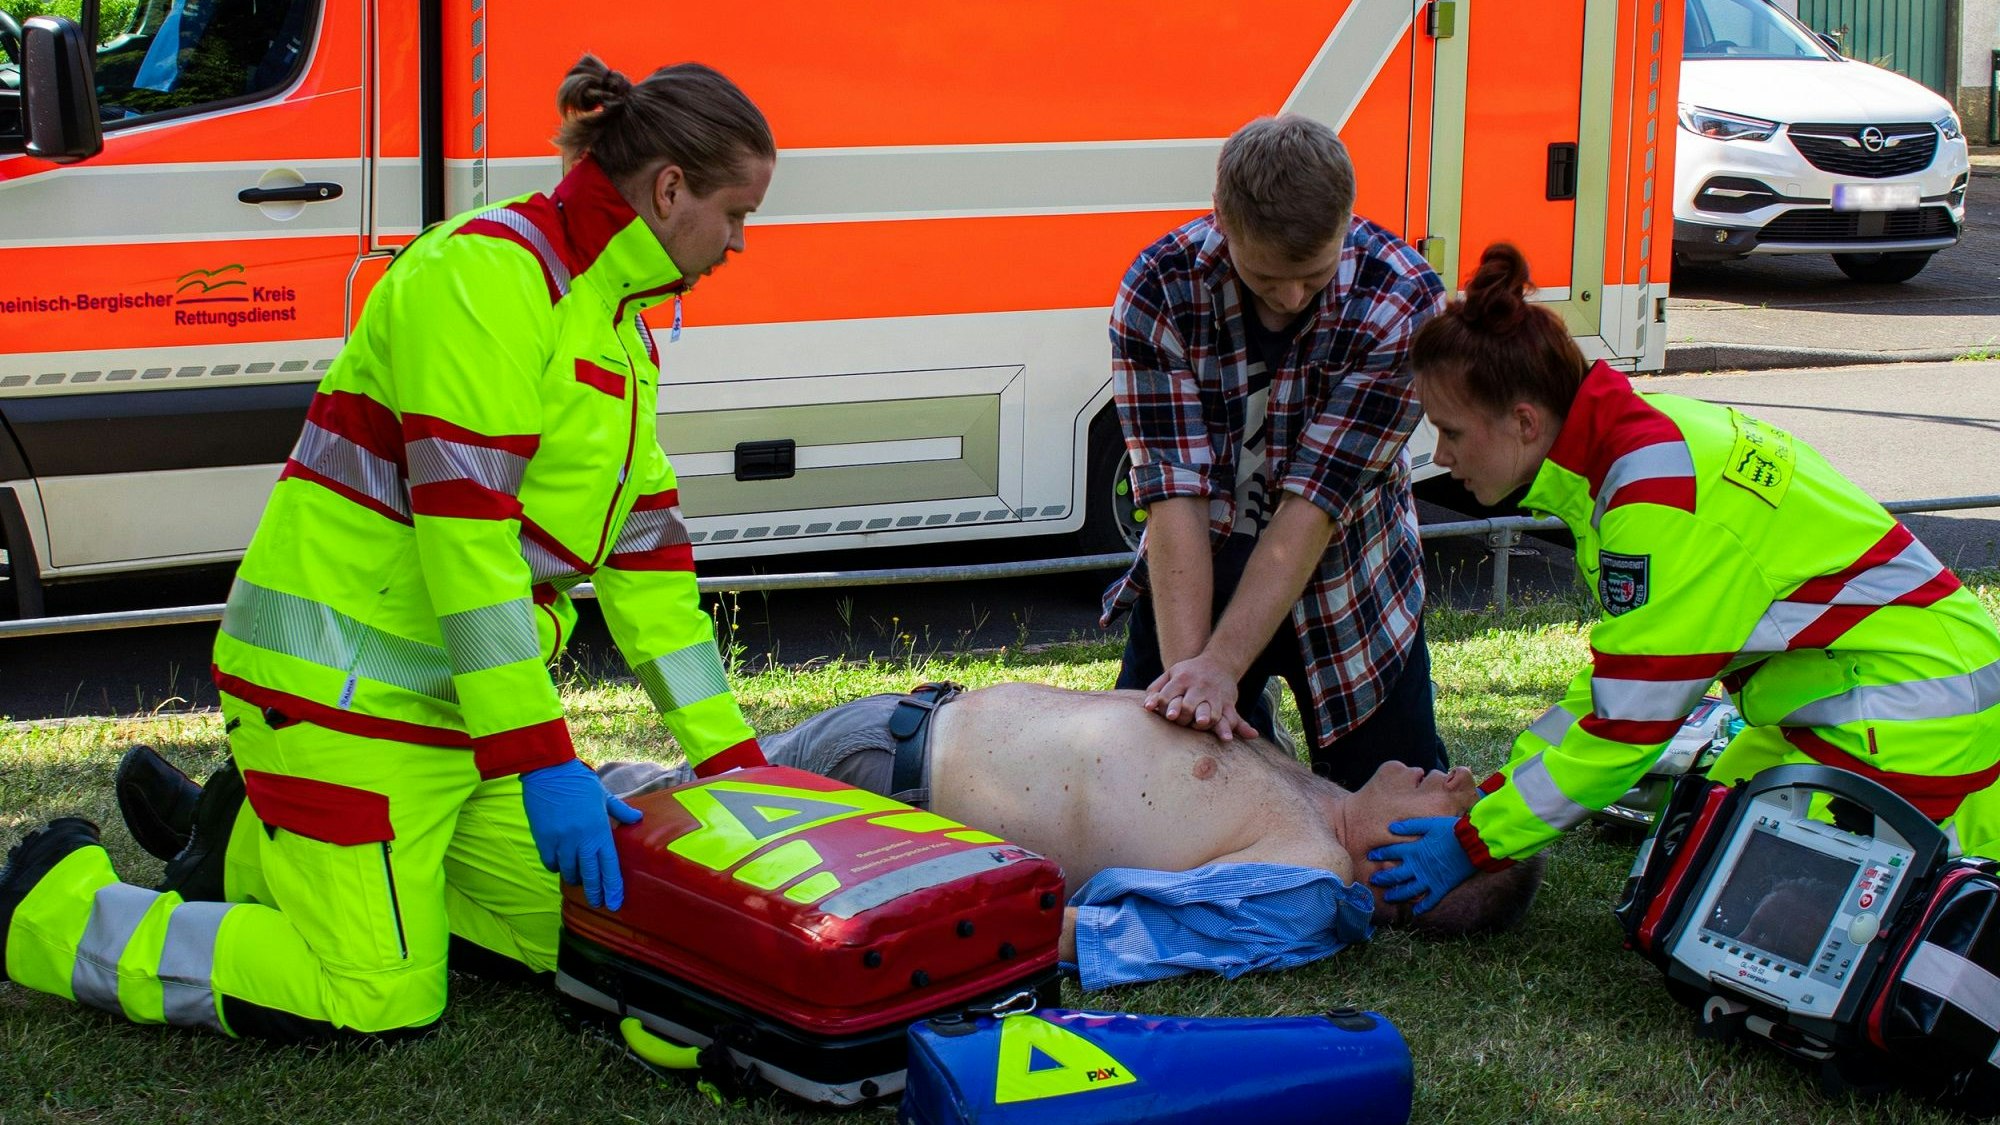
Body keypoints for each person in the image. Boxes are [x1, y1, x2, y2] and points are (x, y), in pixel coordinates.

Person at [0, 56, 777, 1041]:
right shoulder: (488, 279)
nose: (740, 242)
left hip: (453, 723)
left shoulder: (614, 326)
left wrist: (739, 767)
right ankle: (52, 908)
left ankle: (242, 841)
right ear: (669, 190)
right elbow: (469, 542)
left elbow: (646, 565)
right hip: (339, 697)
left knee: (593, 932)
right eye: (737, 213)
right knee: (376, 992)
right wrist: (543, 761)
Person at [1369, 242, 2000, 914]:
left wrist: (1471, 844)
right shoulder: (1632, 450)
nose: (1440, 456)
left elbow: (1626, 730)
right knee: (1673, 882)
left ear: (1524, 421)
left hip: (1914, 717)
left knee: (1733, 915)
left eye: (1451, 431)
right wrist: (1500, 795)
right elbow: (1624, 682)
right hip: (1871, 694)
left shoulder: (1651, 500)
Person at [582, 683, 1544, 989]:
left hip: (885, 800)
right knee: (645, 795)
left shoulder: (1306, 886)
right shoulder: (1313, 793)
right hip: (906, 723)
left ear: (1408, 873)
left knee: (632, 829)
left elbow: (1106, 937)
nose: (1460, 776)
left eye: (1467, 809)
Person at [1103, 113, 1451, 792]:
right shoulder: (1157, 290)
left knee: (1390, 814)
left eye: (1313, 277)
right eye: (1266, 278)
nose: (1290, 299)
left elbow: (1313, 510)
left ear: (1347, 223)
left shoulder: (1405, 302)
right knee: (1148, 787)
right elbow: (1174, 498)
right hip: (1200, 564)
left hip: (1354, 578)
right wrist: (1190, 685)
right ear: (1222, 223)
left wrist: (1221, 666)